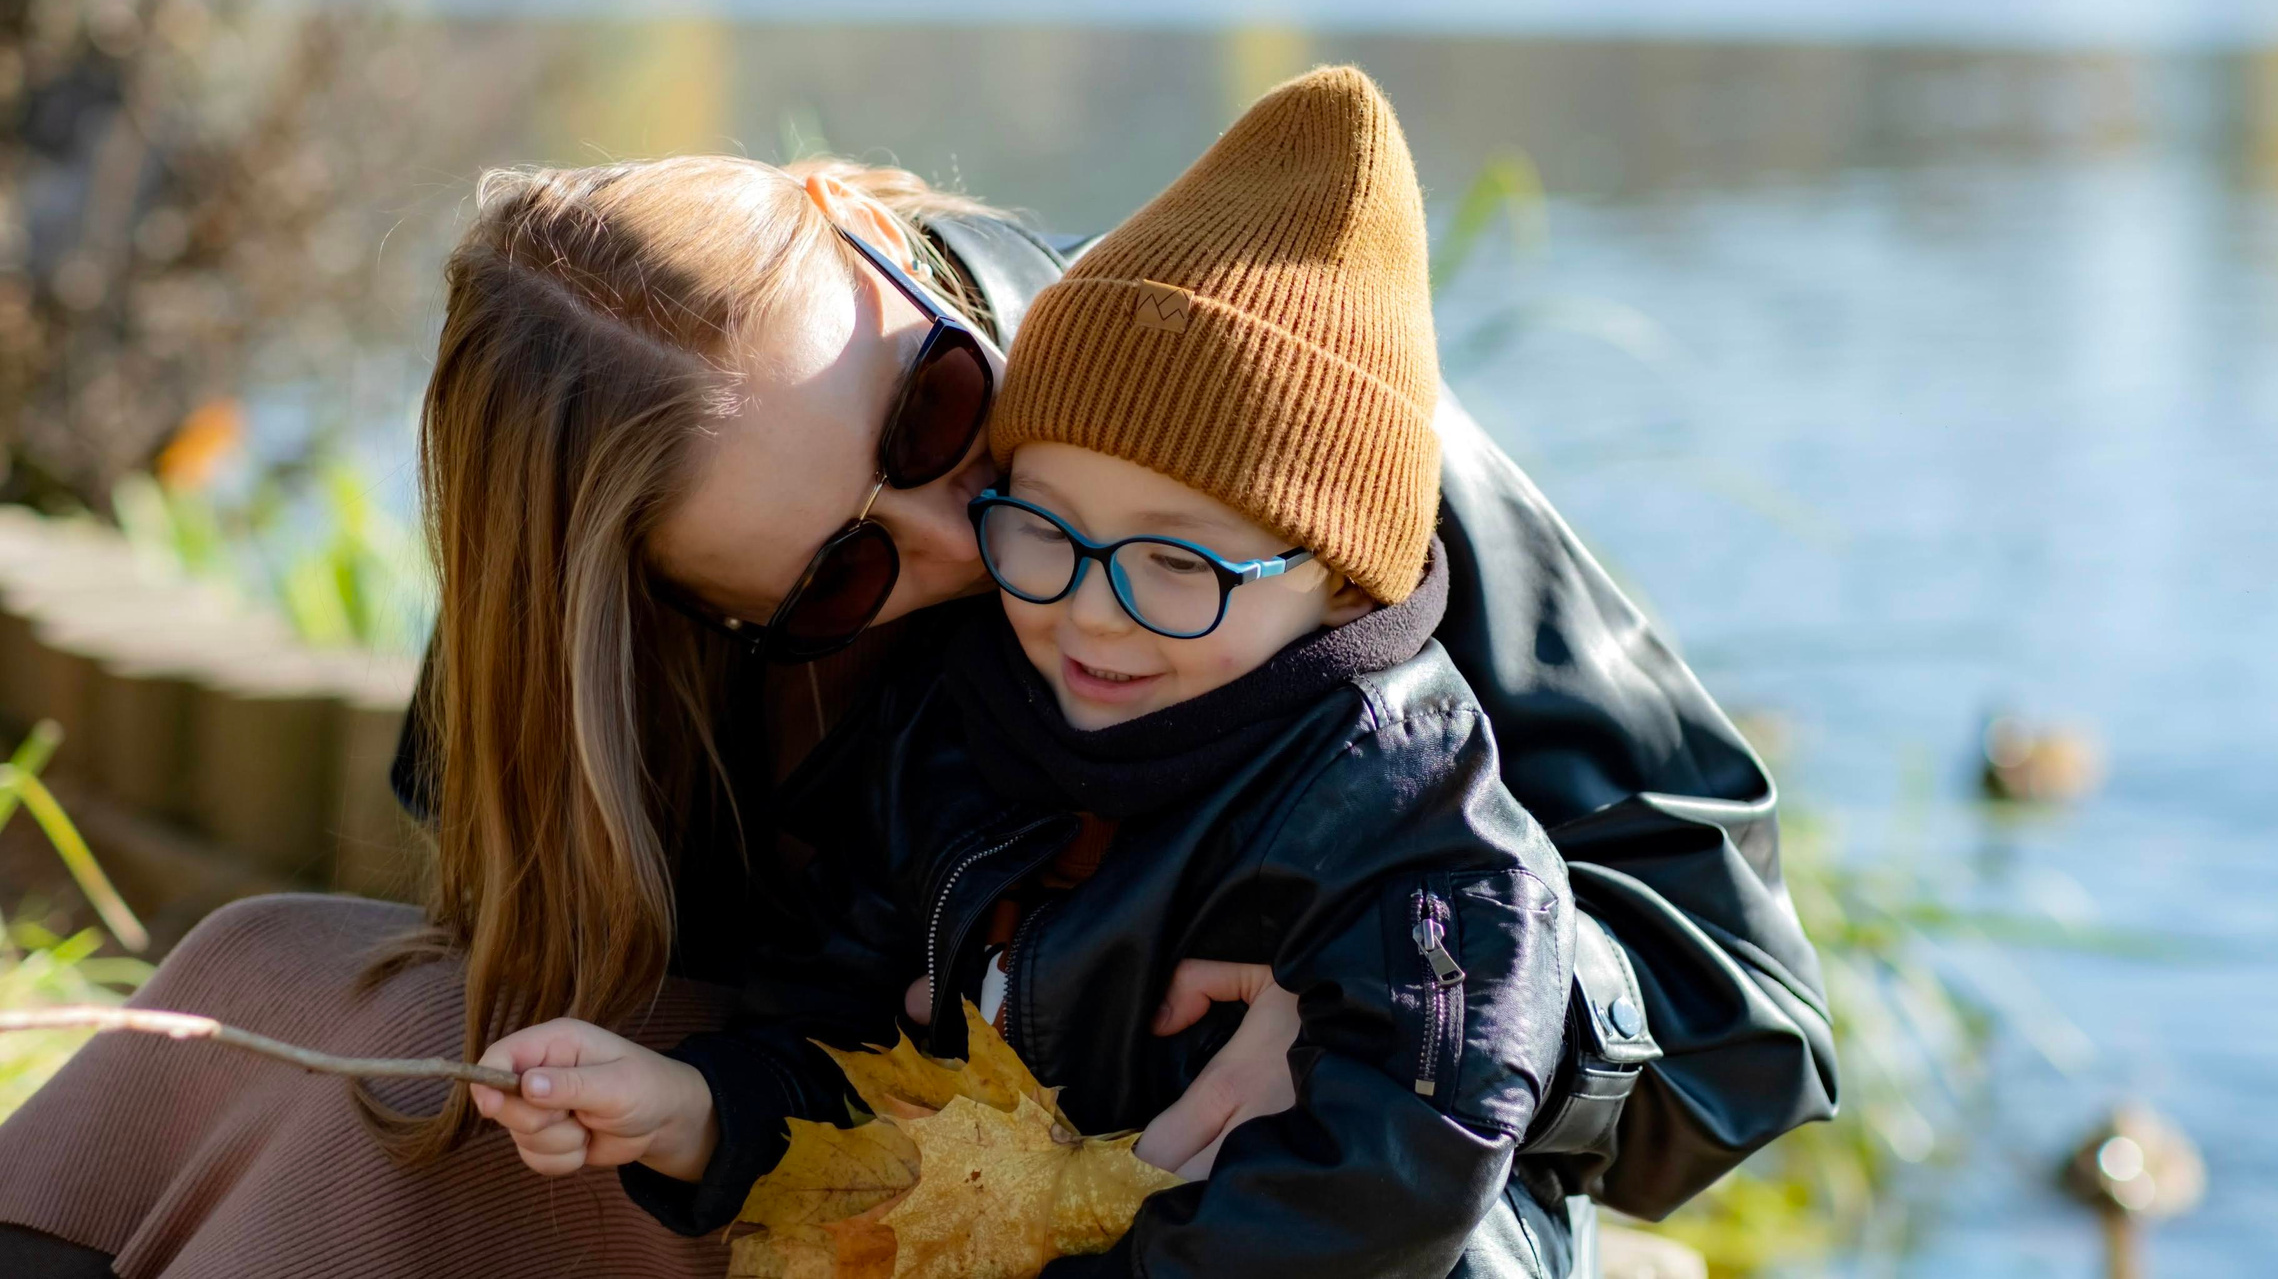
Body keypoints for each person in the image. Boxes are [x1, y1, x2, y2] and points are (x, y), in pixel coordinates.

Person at [0, 89, 1833, 1276]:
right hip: (844, 1160)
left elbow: (1752, 1016)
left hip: (1310, 1185)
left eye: (938, 413)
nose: (972, 543)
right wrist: (695, 1096)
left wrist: (1386, 1009)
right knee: (278, 992)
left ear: (878, 224)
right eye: (843, 575)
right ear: (671, 610)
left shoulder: (1269, 414)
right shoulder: (616, 629)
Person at [478, 68, 1591, 1279]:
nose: (1089, 612)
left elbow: (1401, 1169)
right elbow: (835, 1028)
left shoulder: (1400, 807)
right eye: (1044, 530)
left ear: (1338, 578)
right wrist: (696, 1113)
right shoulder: (953, 729)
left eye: (1175, 563)